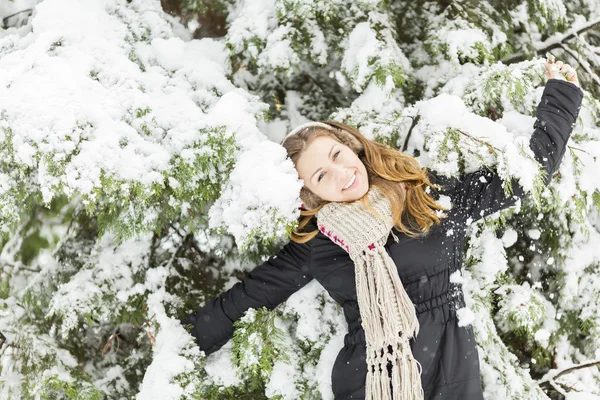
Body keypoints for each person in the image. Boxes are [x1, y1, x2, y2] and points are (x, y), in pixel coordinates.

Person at [181, 59, 583, 399]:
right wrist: (182, 348)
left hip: (453, 367)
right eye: (322, 175)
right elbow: (251, 295)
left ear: (352, 145)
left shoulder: (428, 195)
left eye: (338, 155)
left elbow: (530, 172)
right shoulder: (320, 242)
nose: (341, 174)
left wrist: (560, 93)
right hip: (371, 381)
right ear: (309, 193)